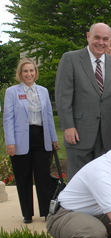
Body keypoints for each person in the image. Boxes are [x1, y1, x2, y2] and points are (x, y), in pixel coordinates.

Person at [55, 23, 111, 180]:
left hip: (108, 137)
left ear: (110, 41)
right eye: (97, 37)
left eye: (105, 39)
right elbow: (63, 96)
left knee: (104, 183)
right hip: (79, 135)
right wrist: (68, 126)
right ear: (88, 36)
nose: (101, 42)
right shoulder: (70, 59)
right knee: (79, 183)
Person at [3, 58, 58, 224]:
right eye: (25, 71)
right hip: (20, 140)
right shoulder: (12, 92)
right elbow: (8, 118)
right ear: (20, 73)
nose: (29, 74)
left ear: (36, 72)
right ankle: (27, 213)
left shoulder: (42, 91)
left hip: (41, 137)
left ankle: (46, 213)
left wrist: (54, 139)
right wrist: (10, 142)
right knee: (23, 177)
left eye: (31, 70)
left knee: (43, 177)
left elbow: (49, 117)